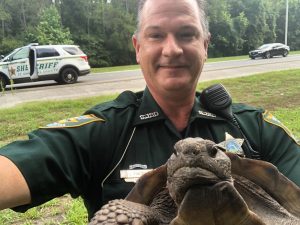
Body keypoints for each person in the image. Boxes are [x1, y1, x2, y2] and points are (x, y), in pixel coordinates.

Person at [0, 0, 300, 222]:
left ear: (205, 45)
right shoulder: (106, 129)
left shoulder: (255, 127)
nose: (172, 49)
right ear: (138, 47)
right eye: (156, 35)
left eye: (186, 34)